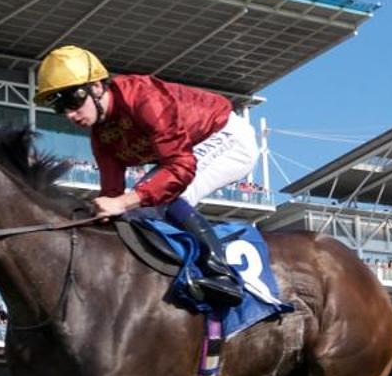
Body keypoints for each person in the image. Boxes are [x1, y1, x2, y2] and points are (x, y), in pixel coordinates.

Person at [33, 45, 259, 308]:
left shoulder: (142, 96)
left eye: (73, 102)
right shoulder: (100, 135)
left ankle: (222, 275)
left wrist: (123, 202)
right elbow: (112, 194)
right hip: (187, 151)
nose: (71, 115)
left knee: (164, 196)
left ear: (96, 87)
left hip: (225, 136)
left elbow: (180, 167)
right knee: (134, 213)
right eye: (61, 109)